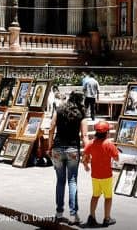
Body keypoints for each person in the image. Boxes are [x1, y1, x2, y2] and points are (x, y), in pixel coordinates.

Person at [48, 91, 88, 225]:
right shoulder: (81, 114)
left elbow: (51, 128)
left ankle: (59, 213)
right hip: (72, 150)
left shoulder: (59, 110)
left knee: (60, 181)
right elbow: (84, 136)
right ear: (81, 101)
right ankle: (73, 215)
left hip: (58, 149)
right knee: (72, 181)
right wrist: (87, 152)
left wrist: (49, 146)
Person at [82, 120, 119, 227]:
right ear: (106, 133)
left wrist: (86, 165)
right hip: (106, 175)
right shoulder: (109, 144)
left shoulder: (91, 143)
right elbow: (116, 158)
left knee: (95, 196)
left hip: (95, 175)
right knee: (108, 197)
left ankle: (92, 217)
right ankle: (107, 218)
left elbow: (84, 156)